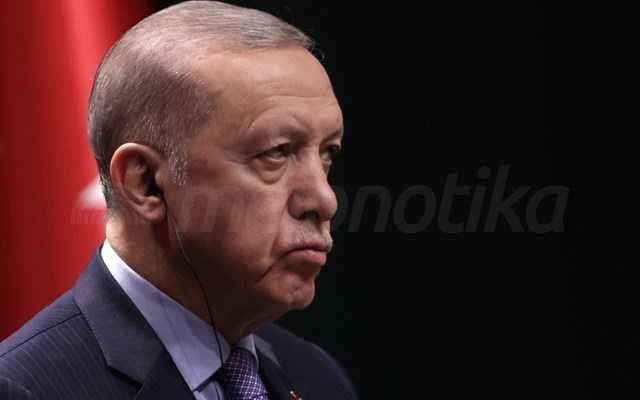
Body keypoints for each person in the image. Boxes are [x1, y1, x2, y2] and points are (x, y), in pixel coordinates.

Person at [0, 1, 357, 399]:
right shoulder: (26, 389)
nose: (324, 200)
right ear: (146, 184)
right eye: (276, 152)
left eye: (327, 153)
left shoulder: (316, 377)